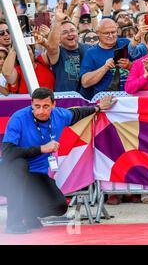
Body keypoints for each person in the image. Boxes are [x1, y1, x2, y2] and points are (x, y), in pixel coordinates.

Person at [0, 88, 116, 234]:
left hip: (35, 174)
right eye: (37, 106)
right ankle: (13, 223)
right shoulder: (19, 118)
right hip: (8, 176)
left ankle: (27, 212)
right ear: (32, 104)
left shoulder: (60, 115)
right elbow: (8, 153)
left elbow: (77, 114)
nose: (41, 111)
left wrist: (98, 108)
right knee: (19, 164)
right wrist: (41, 149)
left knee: (59, 206)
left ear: (53, 105)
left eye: (46, 106)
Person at [80, 19, 138, 94]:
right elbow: (85, 82)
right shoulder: (91, 52)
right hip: (105, 98)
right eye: (106, 33)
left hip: (129, 94)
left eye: (113, 32)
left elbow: (143, 68)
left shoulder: (125, 43)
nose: (110, 36)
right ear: (98, 33)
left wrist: (129, 66)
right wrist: (105, 67)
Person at [45, 8, 90, 94]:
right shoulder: (57, 52)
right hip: (64, 98)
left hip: (87, 98)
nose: (70, 34)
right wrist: (57, 22)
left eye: (72, 30)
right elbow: (51, 46)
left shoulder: (89, 49)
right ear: (59, 38)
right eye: (65, 32)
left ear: (78, 33)